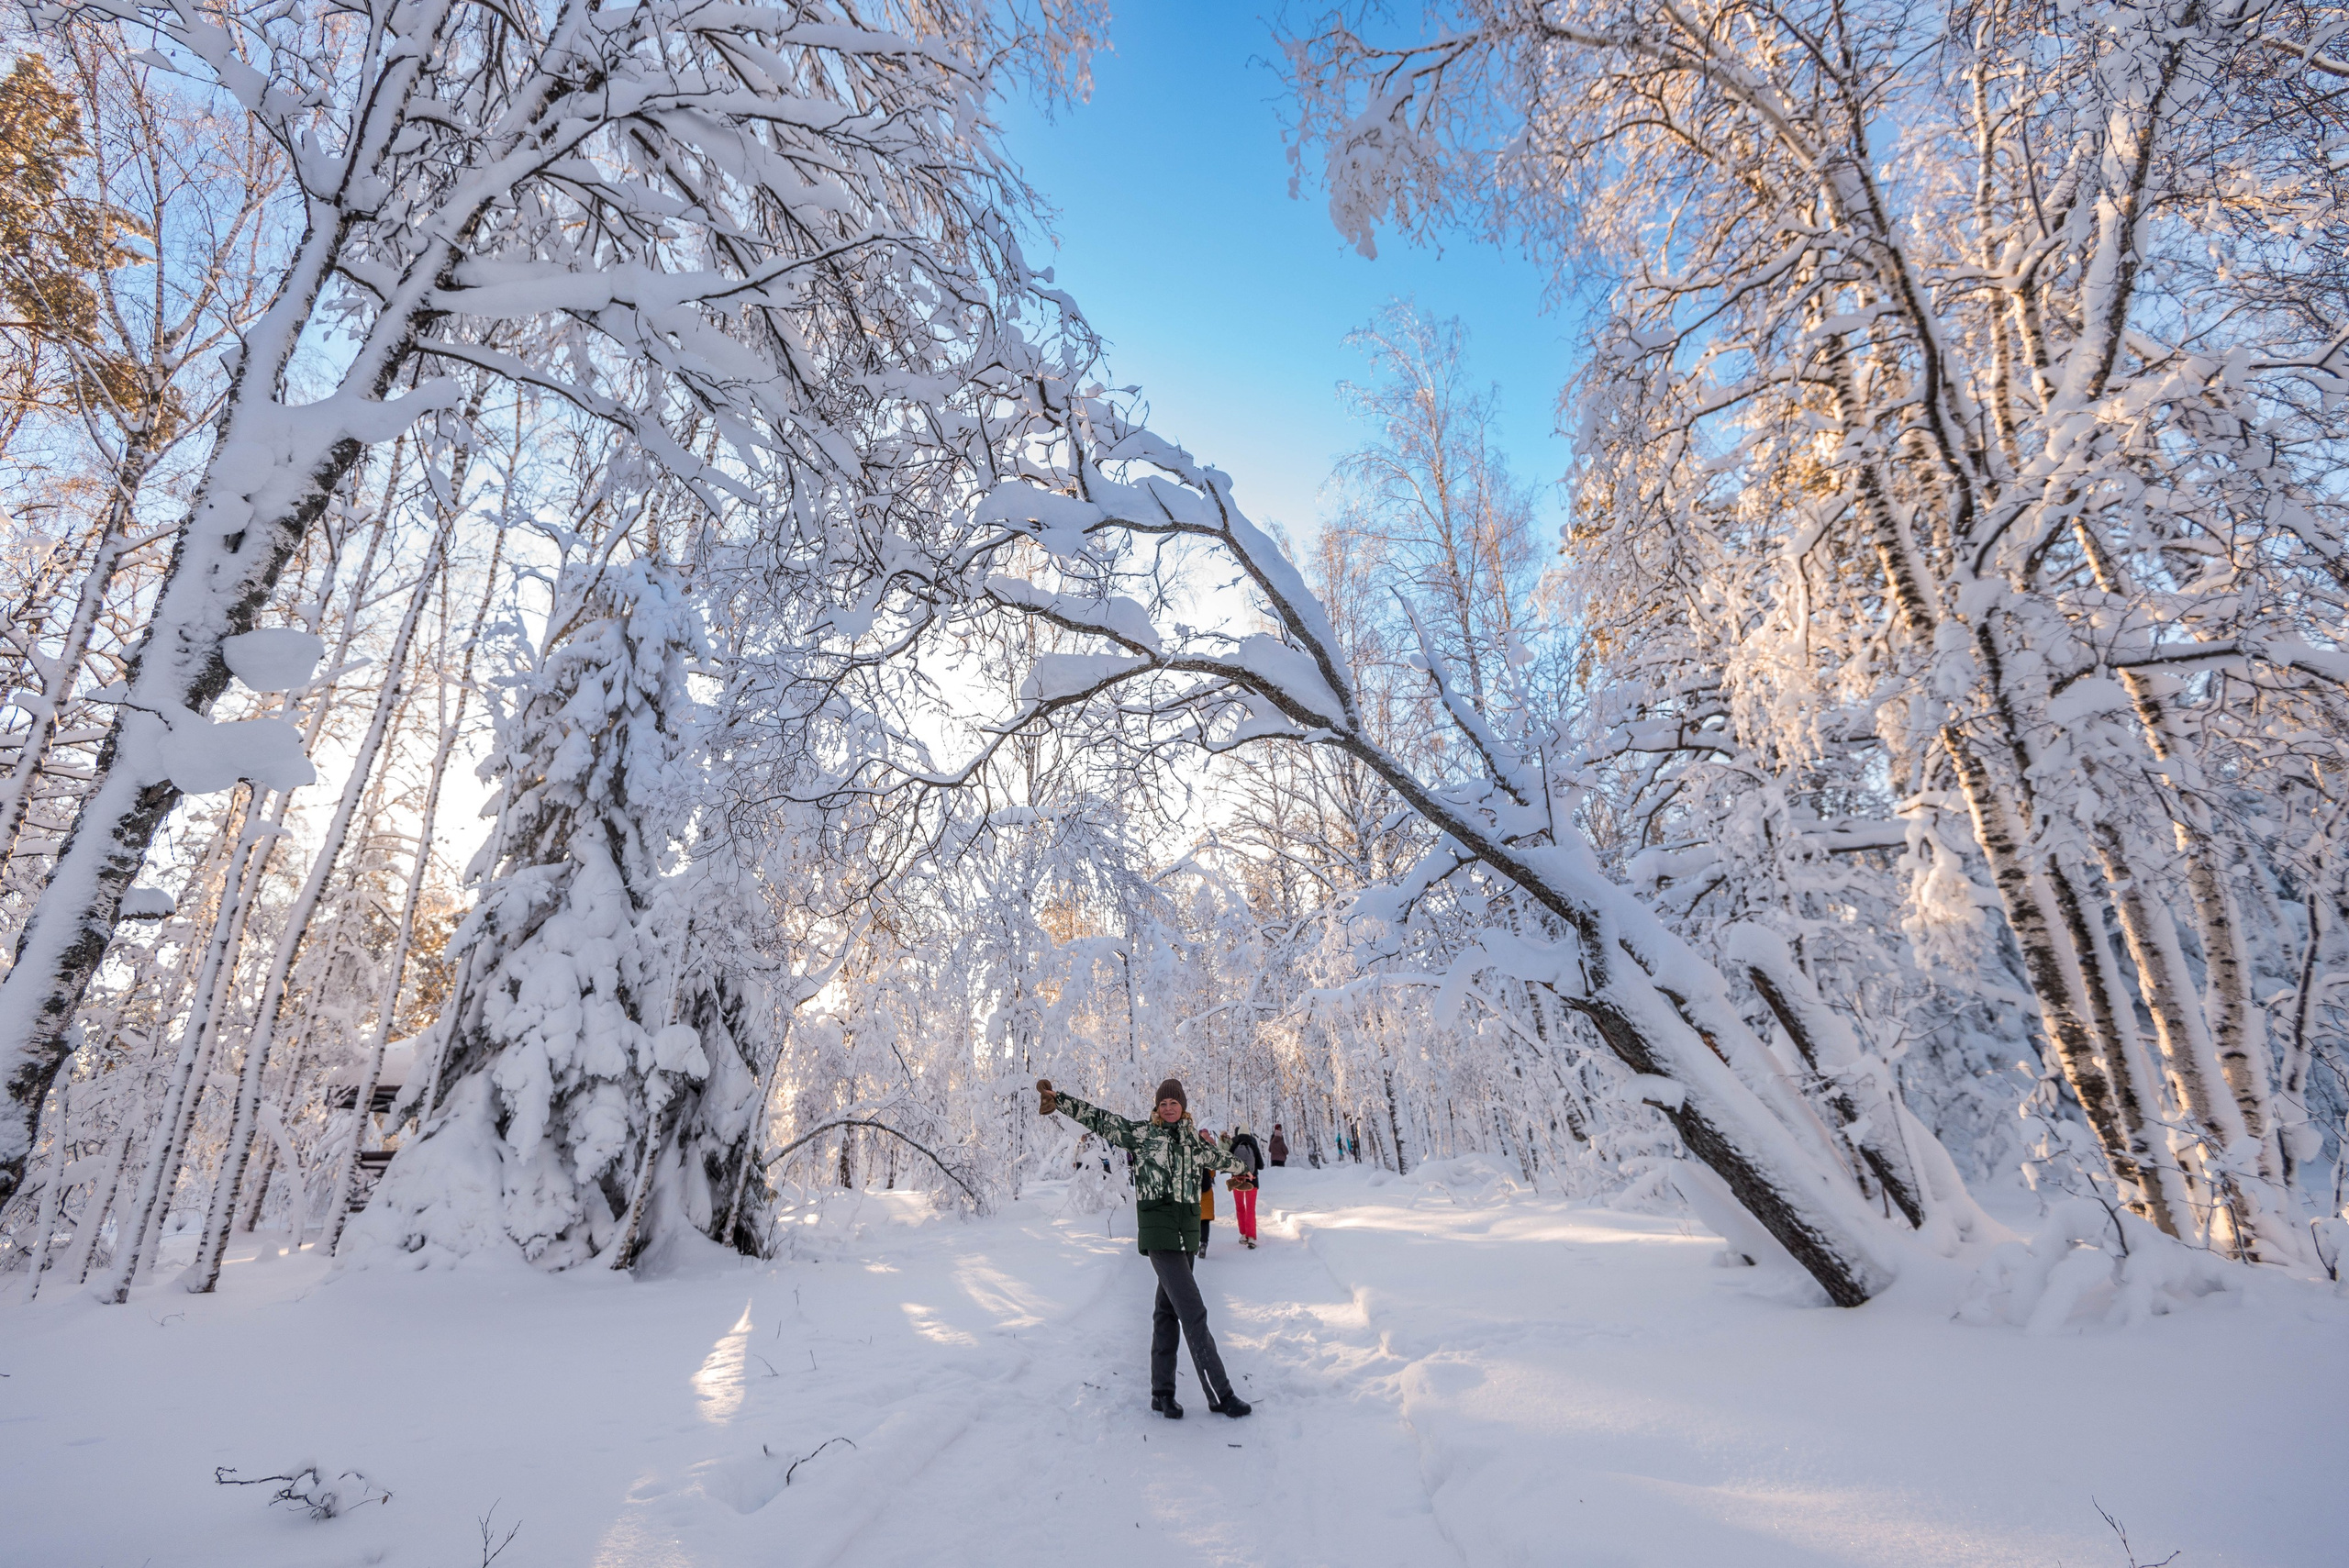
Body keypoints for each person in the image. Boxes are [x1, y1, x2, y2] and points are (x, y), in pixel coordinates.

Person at [1036, 1076, 1252, 1419]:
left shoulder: (1194, 1143)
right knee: (1194, 1314)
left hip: (1186, 1234)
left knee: (1167, 1314)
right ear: (1157, 1107)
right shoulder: (1144, 1135)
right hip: (1160, 1234)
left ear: (1183, 1106)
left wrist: (1246, 1168)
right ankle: (1221, 1394)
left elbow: (1221, 1159)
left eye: (1174, 1103)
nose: (1168, 1108)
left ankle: (1162, 1393)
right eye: (1163, 1103)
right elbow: (1103, 1120)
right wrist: (1059, 1100)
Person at [1226, 1125, 1264, 1249]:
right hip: (1252, 1181)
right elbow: (1261, 1165)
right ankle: (1251, 1236)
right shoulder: (1253, 1144)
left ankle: (1243, 1234)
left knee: (1240, 1207)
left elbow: (1227, 1163)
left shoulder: (1234, 1144)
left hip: (1237, 1181)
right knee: (1250, 1208)